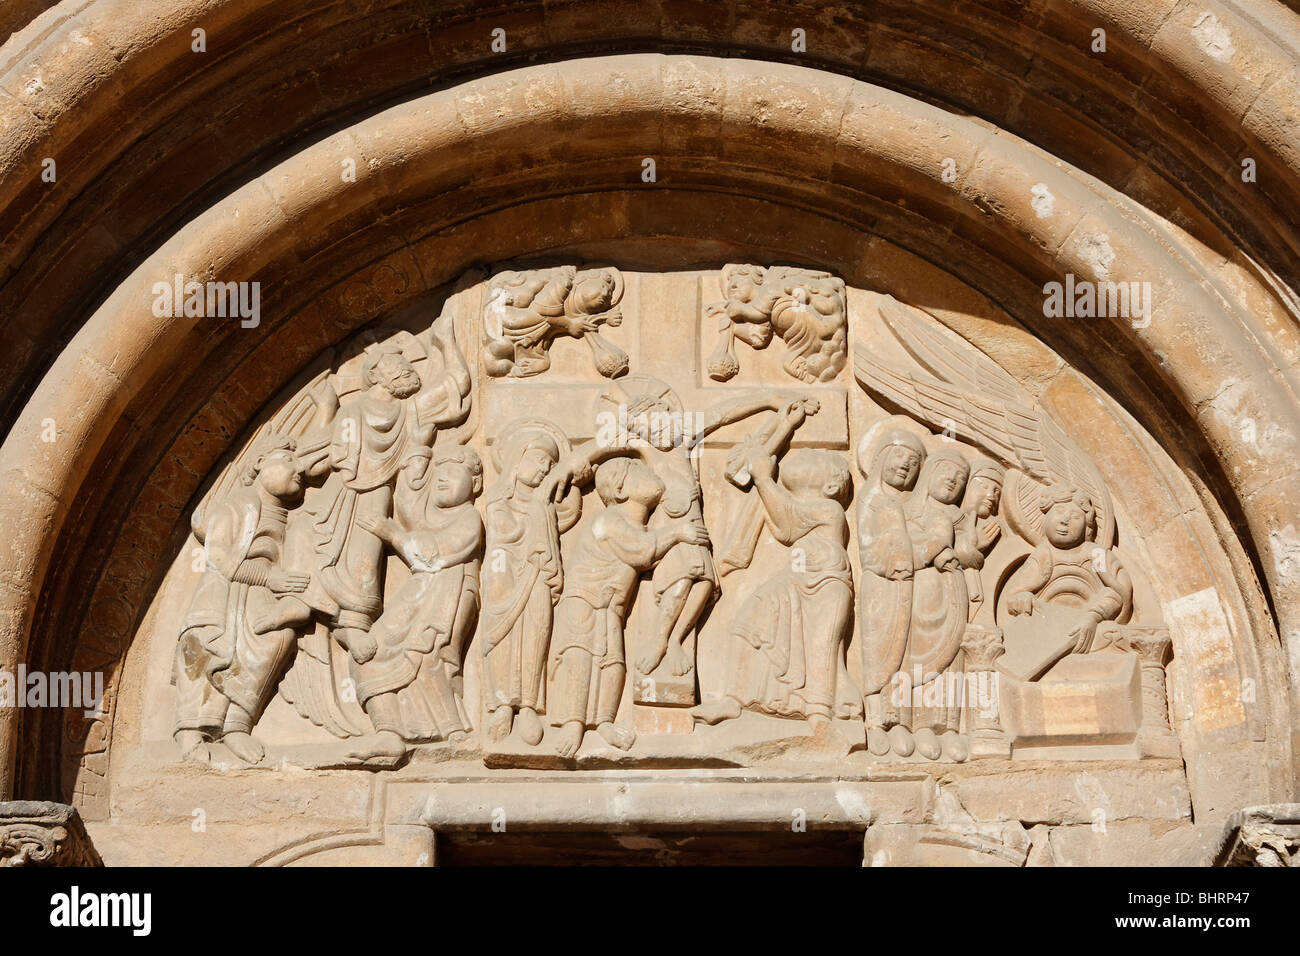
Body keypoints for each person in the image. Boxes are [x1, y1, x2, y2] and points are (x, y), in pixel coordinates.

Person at [694, 401, 860, 729]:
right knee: (750, 620)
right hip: (798, 579)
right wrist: (781, 432)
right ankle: (734, 698)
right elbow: (781, 519)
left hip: (826, 584)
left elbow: (789, 524)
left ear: (829, 485)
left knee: (821, 646)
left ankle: (819, 716)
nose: (805, 454)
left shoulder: (830, 510)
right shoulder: (793, 502)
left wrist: (764, 479)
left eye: (813, 458)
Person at [551, 457, 708, 757]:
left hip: (610, 607)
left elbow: (650, 548)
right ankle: (573, 723)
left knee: (612, 663)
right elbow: (643, 551)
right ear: (621, 489)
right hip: (583, 601)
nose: (650, 471)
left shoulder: (639, 524)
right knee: (580, 659)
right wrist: (678, 533)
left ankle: (604, 721)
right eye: (640, 470)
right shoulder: (610, 520)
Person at [174, 436, 312, 764]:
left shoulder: (289, 515)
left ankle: (236, 724)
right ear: (260, 463)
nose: (299, 469)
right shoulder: (241, 502)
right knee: (205, 647)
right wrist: (269, 578)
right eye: (287, 461)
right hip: (224, 593)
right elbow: (219, 556)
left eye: (300, 465)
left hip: (260, 596)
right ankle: (190, 731)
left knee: (279, 636)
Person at [346, 444, 484, 763]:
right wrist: (414, 458)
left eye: (453, 472)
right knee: (367, 655)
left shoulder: (470, 518)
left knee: (428, 658)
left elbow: (432, 555)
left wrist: (392, 532)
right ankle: (388, 732)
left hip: (448, 595)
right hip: (420, 592)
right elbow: (408, 505)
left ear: (475, 484)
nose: (443, 478)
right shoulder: (429, 516)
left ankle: (454, 733)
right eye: (440, 474)